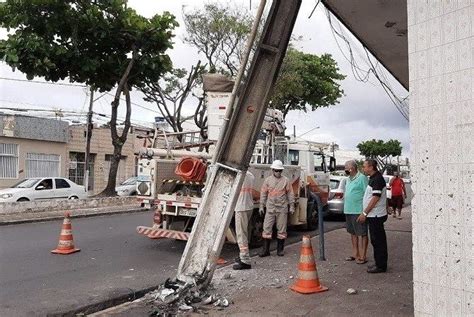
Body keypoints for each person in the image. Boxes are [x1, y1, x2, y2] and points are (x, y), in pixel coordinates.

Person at [357, 159, 388, 273]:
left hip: (376, 215)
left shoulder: (377, 179)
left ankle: (380, 266)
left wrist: (365, 213)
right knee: (375, 240)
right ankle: (378, 263)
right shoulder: (374, 178)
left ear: (371, 167)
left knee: (378, 241)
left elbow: (375, 198)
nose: (363, 168)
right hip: (374, 215)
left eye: (364, 166)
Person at [259, 160, 295, 257]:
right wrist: (261, 206)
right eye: (276, 170)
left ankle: (280, 250)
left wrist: (292, 206)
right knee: (266, 229)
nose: (278, 172)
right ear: (273, 170)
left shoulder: (286, 181)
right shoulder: (268, 180)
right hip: (270, 208)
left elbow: (290, 194)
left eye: (279, 171)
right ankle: (265, 250)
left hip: (282, 208)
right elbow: (263, 193)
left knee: (282, 230)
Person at [343, 160, 369, 264]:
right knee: (352, 232)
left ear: (352, 168)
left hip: (358, 210)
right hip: (348, 210)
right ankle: (355, 253)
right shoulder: (348, 179)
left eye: (346, 167)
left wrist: (364, 212)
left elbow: (367, 194)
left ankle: (363, 255)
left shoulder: (362, 178)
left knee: (362, 233)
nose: (345, 169)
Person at [233, 171, 256, 270]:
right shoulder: (251, 175)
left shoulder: (238, 175)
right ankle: (243, 255)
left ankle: (245, 260)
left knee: (241, 234)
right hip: (249, 206)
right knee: (246, 233)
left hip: (240, 208)